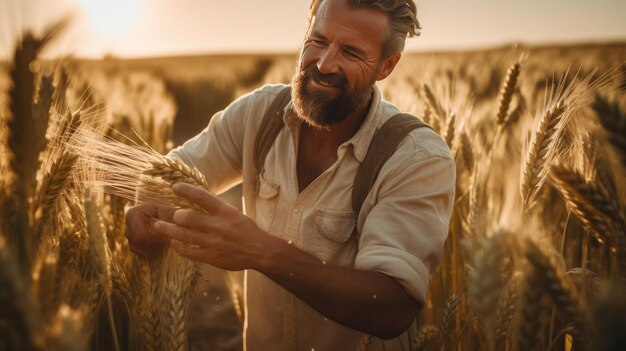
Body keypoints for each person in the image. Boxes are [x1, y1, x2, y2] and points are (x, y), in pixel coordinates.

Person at [125, 0, 456, 350]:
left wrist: (261, 251)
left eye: (351, 52)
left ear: (386, 66)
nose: (325, 63)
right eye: (318, 40)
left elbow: (392, 308)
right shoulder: (259, 115)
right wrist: (146, 211)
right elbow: (168, 179)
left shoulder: (416, 157)